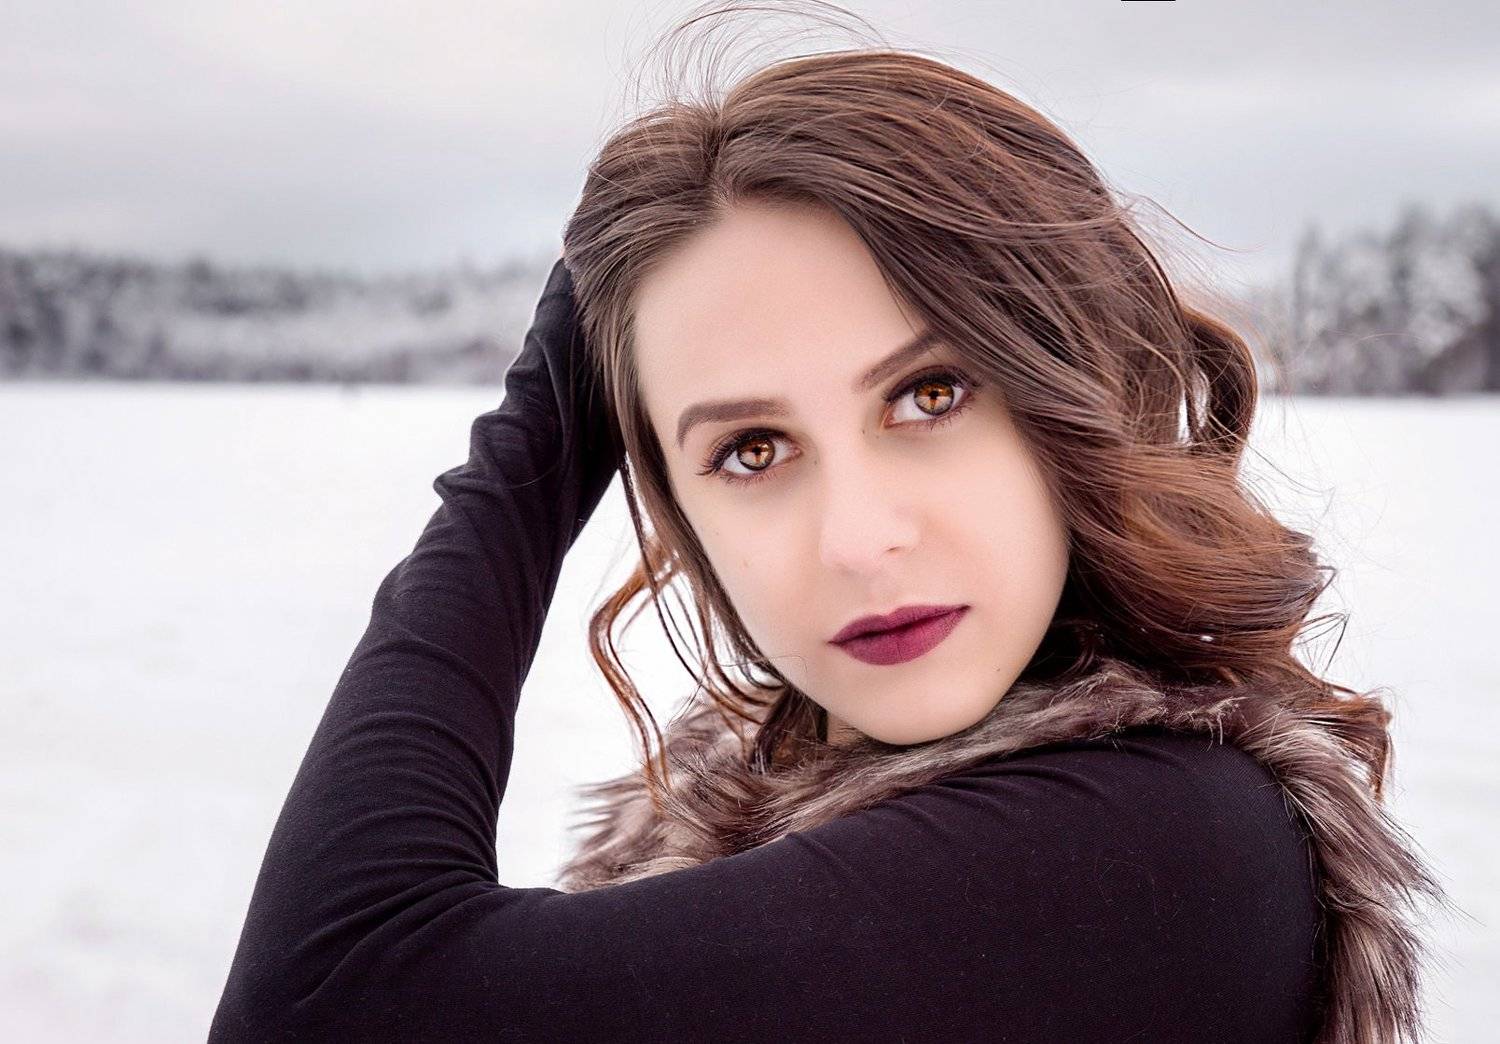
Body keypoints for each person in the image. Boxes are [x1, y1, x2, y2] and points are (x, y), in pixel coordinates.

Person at [209, 41, 1447, 1044]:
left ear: (1077, 388)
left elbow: (332, 1007)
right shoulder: (749, 808)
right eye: (750, 451)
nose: (858, 541)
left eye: (930, 395)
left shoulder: (1154, 846)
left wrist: (522, 464)